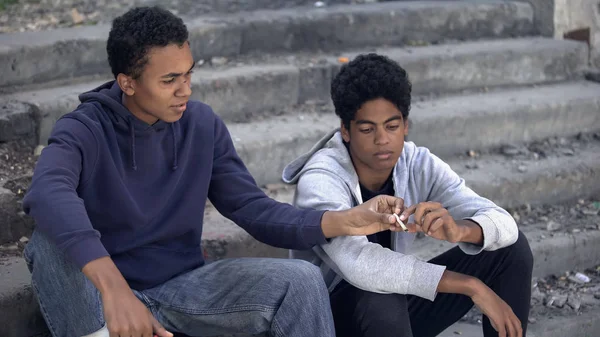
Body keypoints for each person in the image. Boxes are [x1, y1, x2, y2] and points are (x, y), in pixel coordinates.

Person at [21, 8, 406, 337]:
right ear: (128, 83)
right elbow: (47, 193)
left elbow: (253, 209)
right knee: (49, 241)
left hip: (184, 288)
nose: (185, 90)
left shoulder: (201, 125)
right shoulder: (84, 129)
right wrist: (115, 289)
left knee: (301, 281)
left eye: (188, 74)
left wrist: (345, 220)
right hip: (103, 300)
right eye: (169, 80)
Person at [282, 53, 534, 337]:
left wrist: (461, 230)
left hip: (391, 318)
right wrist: (471, 285)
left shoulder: (416, 163)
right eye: (367, 129)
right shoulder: (321, 177)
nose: (382, 140)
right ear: (346, 130)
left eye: (392, 126)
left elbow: (504, 223)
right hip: (327, 322)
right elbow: (360, 265)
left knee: (509, 249)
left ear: (405, 126)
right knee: (380, 293)